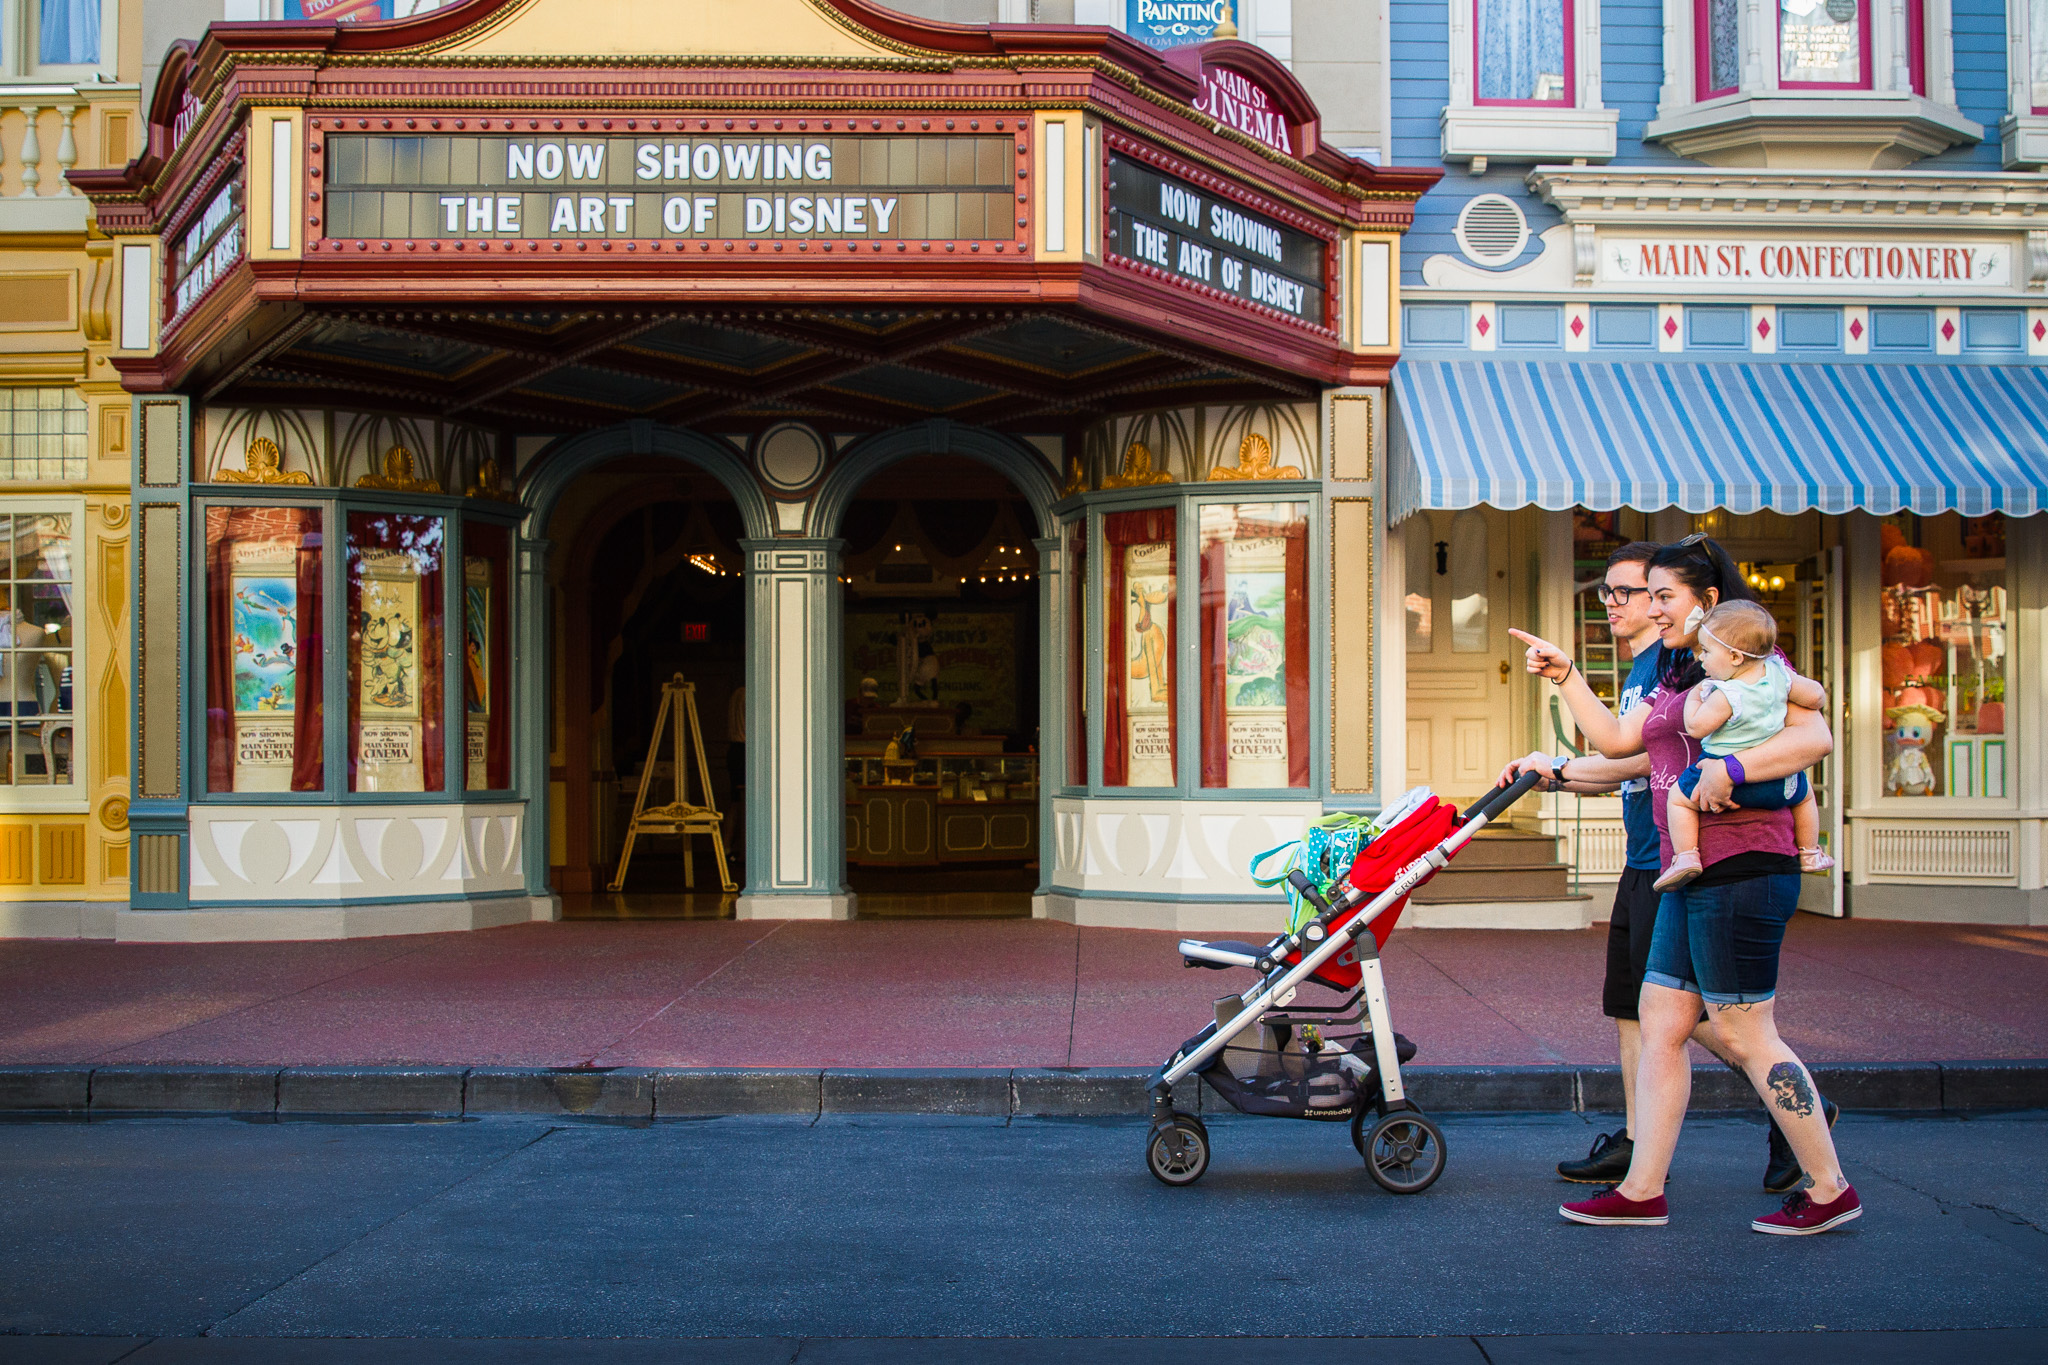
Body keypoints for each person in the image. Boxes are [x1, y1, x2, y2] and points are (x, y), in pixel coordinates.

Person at [1510, 534, 1858, 1234]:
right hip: (1685, 866)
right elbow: (1621, 745)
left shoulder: (1750, 655)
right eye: (1654, 595)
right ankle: (1642, 1189)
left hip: (1742, 863)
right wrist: (1557, 738)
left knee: (1746, 1030)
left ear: (1706, 601)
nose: (1655, 607)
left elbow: (1814, 737)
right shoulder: (1681, 668)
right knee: (1664, 1021)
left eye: (1665, 596)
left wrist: (1730, 772)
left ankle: (1829, 1187)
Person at [1656, 600, 1833, 892]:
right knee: (1804, 797)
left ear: (1735, 657)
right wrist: (1795, 686)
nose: (1701, 660)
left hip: (1722, 781)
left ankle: (1686, 856)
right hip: (1778, 781)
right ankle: (1810, 851)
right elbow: (1815, 697)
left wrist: (1693, 700)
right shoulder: (1779, 674)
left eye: (1706, 652)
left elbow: (1697, 727)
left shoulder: (1726, 693)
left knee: (1678, 799)